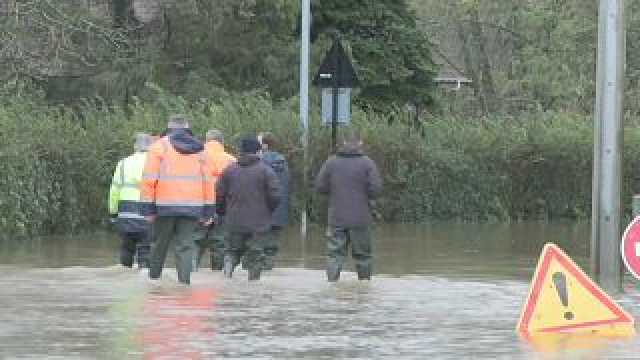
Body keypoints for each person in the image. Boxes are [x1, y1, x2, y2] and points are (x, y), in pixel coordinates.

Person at [140, 115, 215, 285]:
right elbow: (208, 182)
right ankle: (184, 284)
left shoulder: (159, 147)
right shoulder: (201, 149)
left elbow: (148, 180)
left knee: (160, 244)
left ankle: (153, 282)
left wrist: (148, 209)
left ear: (169, 128)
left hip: (164, 207)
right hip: (193, 207)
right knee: (185, 246)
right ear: (187, 128)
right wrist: (208, 210)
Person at [314, 130, 383, 282]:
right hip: (361, 218)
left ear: (343, 143)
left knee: (334, 255)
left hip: (337, 217)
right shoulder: (367, 163)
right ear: (360, 143)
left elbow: (319, 187)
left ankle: (332, 284)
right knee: (363, 256)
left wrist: (335, 192)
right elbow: (376, 190)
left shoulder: (331, 162)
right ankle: (364, 286)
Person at [216, 136, 281, 280]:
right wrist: (268, 211)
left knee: (232, 251)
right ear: (258, 152)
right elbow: (275, 196)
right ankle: (253, 285)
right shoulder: (266, 171)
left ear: (241, 151)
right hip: (258, 223)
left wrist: (222, 212)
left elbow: (219, 195)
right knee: (256, 255)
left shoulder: (229, 170)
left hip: (234, 221)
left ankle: (227, 270)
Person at [109, 133, 154, 268]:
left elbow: (114, 191)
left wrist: (113, 212)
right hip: (147, 212)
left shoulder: (122, 163)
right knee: (145, 249)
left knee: (127, 248)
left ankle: (124, 275)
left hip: (125, 213)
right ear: (151, 146)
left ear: (135, 146)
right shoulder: (155, 163)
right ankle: (145, 282)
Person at [194, 129, 236, 271]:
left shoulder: (195, 157)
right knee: (220, 242)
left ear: (206, 141)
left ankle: (189, 274)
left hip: (199, 204)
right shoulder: (231, 160)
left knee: (195, 241)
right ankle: (218, 275)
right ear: (222, 142)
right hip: (223, 207)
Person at [258, 132, 289, 270]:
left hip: (261, 212)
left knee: (257, 248)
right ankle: (268, 270)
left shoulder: (258, 163)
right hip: (279, 212)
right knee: (271, 249)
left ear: (264, 145)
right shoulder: (284, 163)